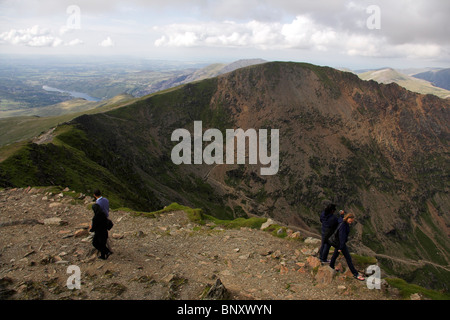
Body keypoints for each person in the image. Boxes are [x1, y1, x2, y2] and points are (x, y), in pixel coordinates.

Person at [329, 213, 365, 281]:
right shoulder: (343, 225)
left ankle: (331, 266)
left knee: (335, 255)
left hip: (339, 244)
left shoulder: (344, 223)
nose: (351, 221)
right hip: (340, 244)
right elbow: (342, 236)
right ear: (347, 218)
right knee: (348, 258)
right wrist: (341, 247)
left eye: (352, 220)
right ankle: (355, 274)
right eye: (350, 220)